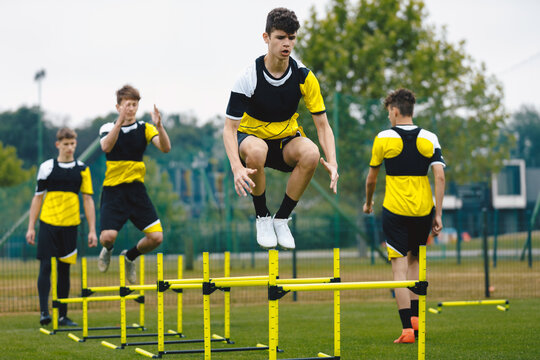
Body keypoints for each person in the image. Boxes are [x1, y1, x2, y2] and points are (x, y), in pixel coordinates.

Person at [223, 7, 339, 250]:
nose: (287, 43)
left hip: (286, 140)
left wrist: (333, 161)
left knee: (310, 152)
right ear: (266, 38)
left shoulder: (304, 76)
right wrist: (236, 167)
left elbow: (322, 124)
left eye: (292, 37)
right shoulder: (248, 76)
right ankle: (262, 217)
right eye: (280, 37)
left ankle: (282, 218)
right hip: (252, 138)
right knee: (256, 151)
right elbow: (230, 129)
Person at [363, 88, 445, 343]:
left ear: (395, 111)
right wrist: (438, 214)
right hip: (423, 210)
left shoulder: (383, 138)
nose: (389, 116)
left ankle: (407, 330)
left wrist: (368, 204)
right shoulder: (430, 138)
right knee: (415, 264)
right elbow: (440, 176)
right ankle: (418, 325)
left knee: (398, 270)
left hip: (395, 210)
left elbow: (372, 179)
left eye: (389, 112)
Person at [97, 85, 171, 284]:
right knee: (107, 237)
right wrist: (119, 123)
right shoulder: (107, 128)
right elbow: (106, 146)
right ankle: (108, 250)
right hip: (113, 191)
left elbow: (165, 148)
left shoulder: (145, 129)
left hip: (136, 191)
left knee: (156, 238)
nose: (131, 108)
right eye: (127, 105)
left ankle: (129, 256)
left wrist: (160, 126)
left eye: (134, 104)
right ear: (118, 106)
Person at [26, 127, 98, 326]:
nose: (69, 148)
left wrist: (92, 230)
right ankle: (44, 313)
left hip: (71, 225)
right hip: (48, 223)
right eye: (65, 144)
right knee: (46, 266)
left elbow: (88, 200)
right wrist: (31, 227)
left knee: (64, 269)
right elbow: (37, 198)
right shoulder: (47, 167)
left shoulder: (83, 169)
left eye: (72, 144)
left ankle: (63, 315)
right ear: (58, 145)